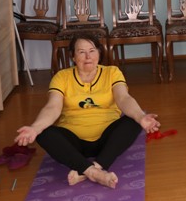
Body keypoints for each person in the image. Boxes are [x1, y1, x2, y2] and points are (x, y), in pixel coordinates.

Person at [15, 34, 160, 189]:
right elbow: (52, 107)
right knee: (43, 132)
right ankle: (95, 172)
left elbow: (124, 98)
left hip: (107, 141)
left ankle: (89, 169)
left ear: (99, 53)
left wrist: (141, 116)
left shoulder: (112, 72)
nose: (88, 56)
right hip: (74, 143)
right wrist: (35, 128)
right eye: (81, 52)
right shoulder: (61, 77)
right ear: (73, 56)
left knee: (133, 120)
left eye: (92, 51)